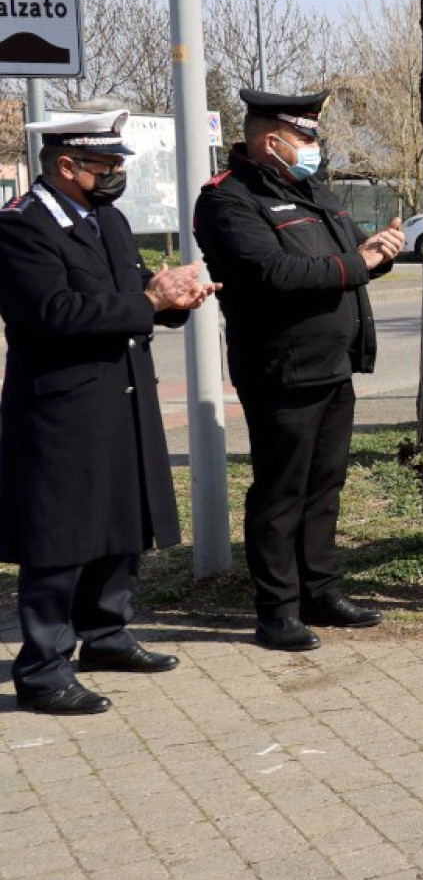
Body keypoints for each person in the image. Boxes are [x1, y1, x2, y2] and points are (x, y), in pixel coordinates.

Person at [0, 112, 216, 715]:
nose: (117, 175)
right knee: (62, 536)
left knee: (121, 523)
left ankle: (107, 634)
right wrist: (147, 299)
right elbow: (55, 313)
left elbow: (134, 294)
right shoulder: (21, 228)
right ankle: (42, 669)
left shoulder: (108, 219)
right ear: (66, 166)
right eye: (106, 166)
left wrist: (174, 299)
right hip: (63, 406)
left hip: (123, 396)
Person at [195, 89, 401, 651]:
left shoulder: (310, 190)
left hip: (333, 366)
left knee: (324, 486)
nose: (314, 146)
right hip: (282, 368)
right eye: (305, 137)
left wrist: (376, 254)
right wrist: (359, 262)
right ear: (271, 140)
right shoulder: (226, 200)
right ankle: (277, 608)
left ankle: (320, 590)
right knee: (281, 492)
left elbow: (343, 264)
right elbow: (274, 274)